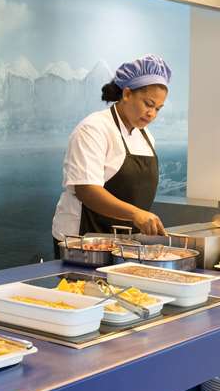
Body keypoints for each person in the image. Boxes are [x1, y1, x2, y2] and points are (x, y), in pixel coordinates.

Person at [51, 54, 171, 253]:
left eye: (158, 109)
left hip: (125, 242)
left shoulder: (146, 137)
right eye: (148, 104)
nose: (152, 114)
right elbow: (87, 190)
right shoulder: (93, 129)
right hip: (83, 240)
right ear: (127, 94)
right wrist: (136, 214)